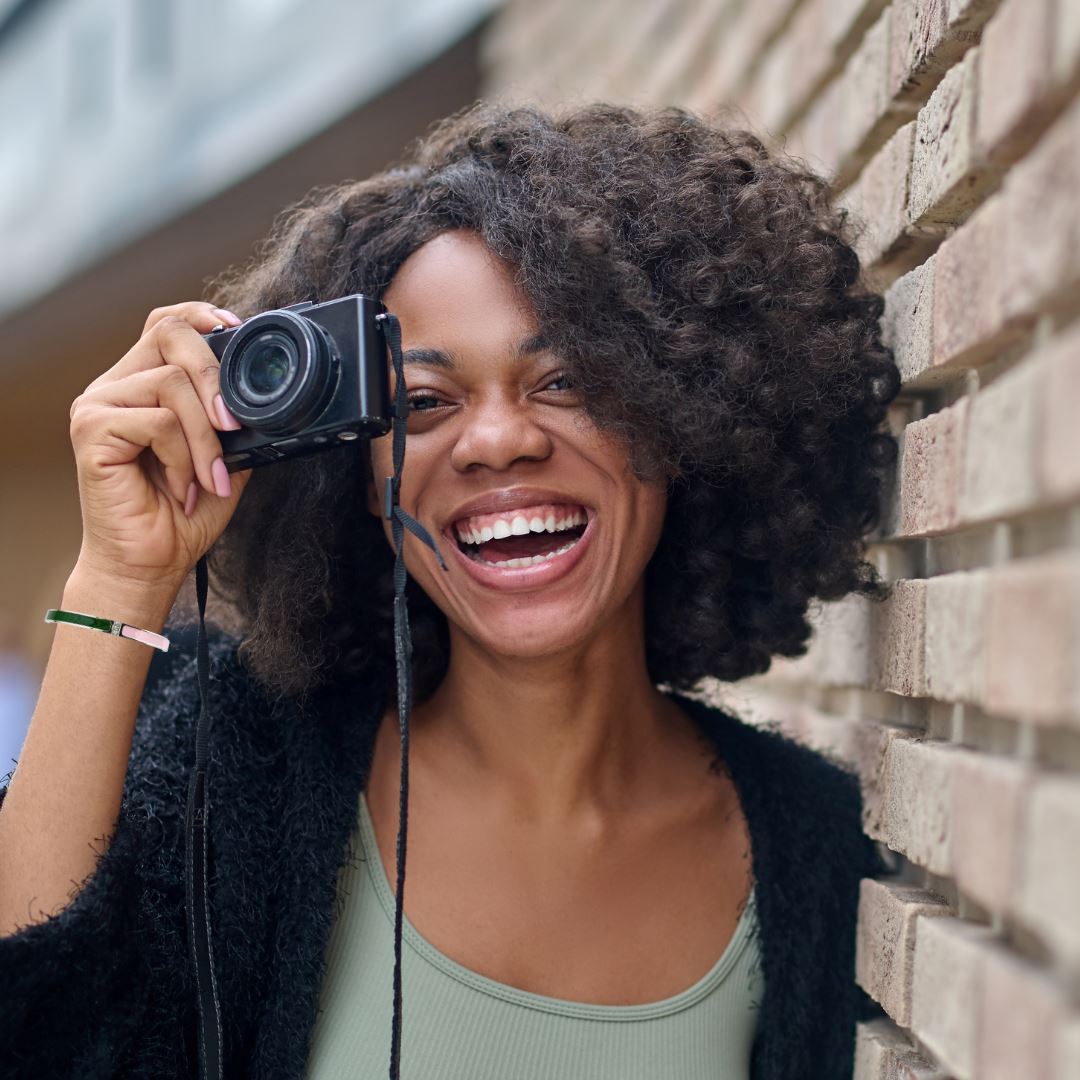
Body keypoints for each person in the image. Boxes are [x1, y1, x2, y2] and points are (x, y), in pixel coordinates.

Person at [0, 101, 898, 1079]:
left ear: (686, 419)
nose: (498, 439)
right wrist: (120, 578)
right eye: (423, 403)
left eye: (568, 382)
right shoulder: (241, 764)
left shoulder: (808, 847)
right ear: (359, 481)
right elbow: (33, 1030)